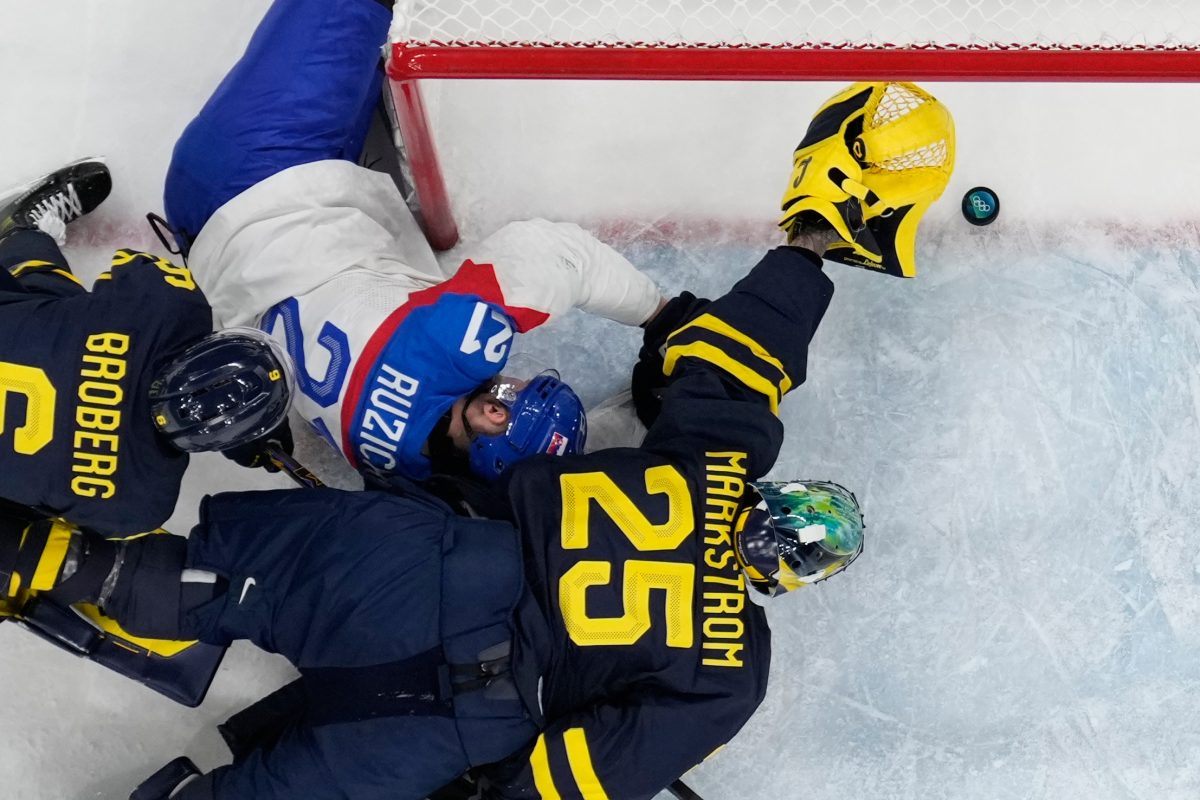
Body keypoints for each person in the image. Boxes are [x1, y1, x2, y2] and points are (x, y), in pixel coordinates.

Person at [159, 0, 659, 485]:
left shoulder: (457, 348)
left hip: (257, 171)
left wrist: (661, 316)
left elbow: (560, 256)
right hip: (241, 247)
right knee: (378, 57)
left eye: (522, 391)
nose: (518, 380)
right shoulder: (400, 473)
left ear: (492, 412)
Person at [0, 160, 295, 537]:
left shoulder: (169, 306)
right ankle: (22, 240)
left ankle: (24, 236)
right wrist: (236, 427)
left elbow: (130, 267)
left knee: (66, 318)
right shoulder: (139, 506)